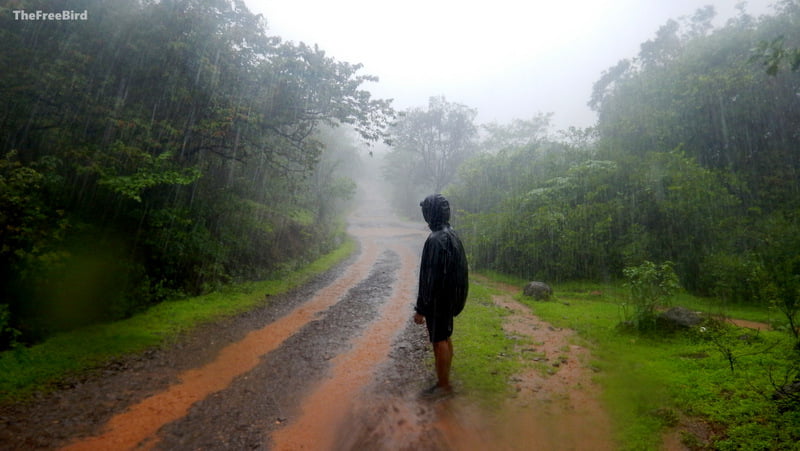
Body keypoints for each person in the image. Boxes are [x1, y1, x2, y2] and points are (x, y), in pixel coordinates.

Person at [413, 194, 469, 397]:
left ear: (431, 213)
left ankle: (443, 386)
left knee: (439, 340)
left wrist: (421, 308)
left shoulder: (436, 240)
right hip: (450, 296)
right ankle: (444, 379)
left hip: (439, 299)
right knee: (445, 336)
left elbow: (430, 278)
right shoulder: (452, 234)